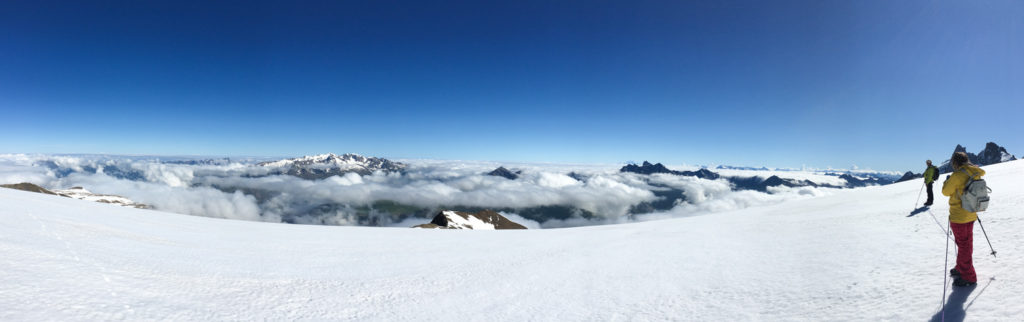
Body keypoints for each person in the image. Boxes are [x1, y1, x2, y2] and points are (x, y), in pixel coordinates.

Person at [942, 151, 985, 287]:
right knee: (966, 244)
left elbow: (945, 192)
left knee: (964, 245)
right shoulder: (975, 172)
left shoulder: (957, 175)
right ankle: (961, 268)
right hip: (971, 213)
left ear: (955, 162)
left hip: (959, 216)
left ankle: (969, 277)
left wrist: (947, 181)